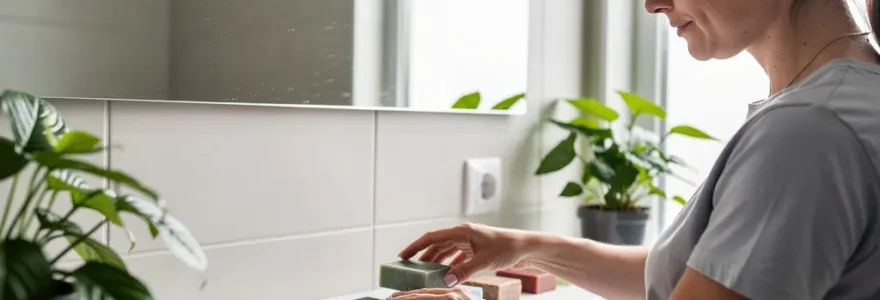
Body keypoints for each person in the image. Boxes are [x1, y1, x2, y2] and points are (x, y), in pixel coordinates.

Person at [389, 0, 880, 299]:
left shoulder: (807, 133)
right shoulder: (849, 98)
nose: (652, 3)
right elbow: (701, 279)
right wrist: (530, 249)